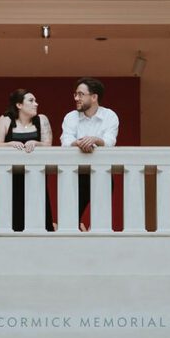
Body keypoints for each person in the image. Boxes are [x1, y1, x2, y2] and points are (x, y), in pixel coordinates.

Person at [60, 78, 118, 230]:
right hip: (75, 175)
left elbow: (109, 142)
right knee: (70, 218)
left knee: (101, 220)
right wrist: (78, 143)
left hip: (102, 174)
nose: (76, 98)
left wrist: (96, 140)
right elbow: (66, 141)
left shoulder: (110, 116)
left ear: (94, 97)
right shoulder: (70, 117)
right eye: (75, 94)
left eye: (80, 94)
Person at [0, 86, 51, 232]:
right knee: (13, 219)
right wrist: (10, 144)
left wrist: (36, 143)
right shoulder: (6, 120)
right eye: (31, 100)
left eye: (35, 100)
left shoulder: (41, 120)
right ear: (19, 105)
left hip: (37, 179)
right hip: (11, 179)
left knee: (40, 219)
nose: (36, 103)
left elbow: (48, 146)